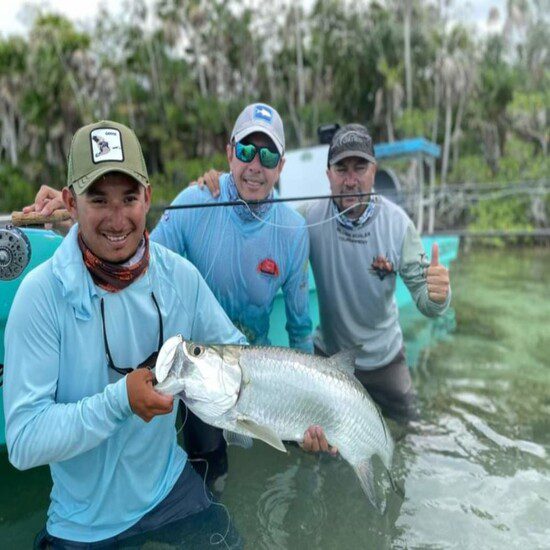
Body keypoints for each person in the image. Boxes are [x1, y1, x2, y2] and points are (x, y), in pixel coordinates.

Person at [20, 103, 318, 483]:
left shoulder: (293, 229)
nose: (255, 165)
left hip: (254, 368)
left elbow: (301, 326)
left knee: (291, 453)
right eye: (245, 151)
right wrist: (74, 220)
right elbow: (131, 259)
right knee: (210, 467)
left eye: (268, 154)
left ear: (281, 165)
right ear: (229, 153)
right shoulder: (194, 200)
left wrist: (309, 397)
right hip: (196, 368)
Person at [3, 120, 246, 548]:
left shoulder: (180, 277)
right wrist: (120, 402)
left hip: (171, 491)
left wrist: (305, 415)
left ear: (148, 198)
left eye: (129, 198)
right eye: (99, 200)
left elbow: (240, 359)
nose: (117, 219)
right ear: (70, 202)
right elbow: (23, 440)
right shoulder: (40, 296)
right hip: (83, 522)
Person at [193, 123, 451, 426]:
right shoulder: (309, 217)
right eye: (341, 169)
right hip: (329, 361)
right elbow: (262, 213)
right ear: (328, 174)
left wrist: (438, 296)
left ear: (374, 171)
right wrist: (222, 187)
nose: (351, 180)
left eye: (360, 168)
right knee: (311, 444)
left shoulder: (399, 224)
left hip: (385, 361)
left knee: (413, 430)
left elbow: (426, 302)